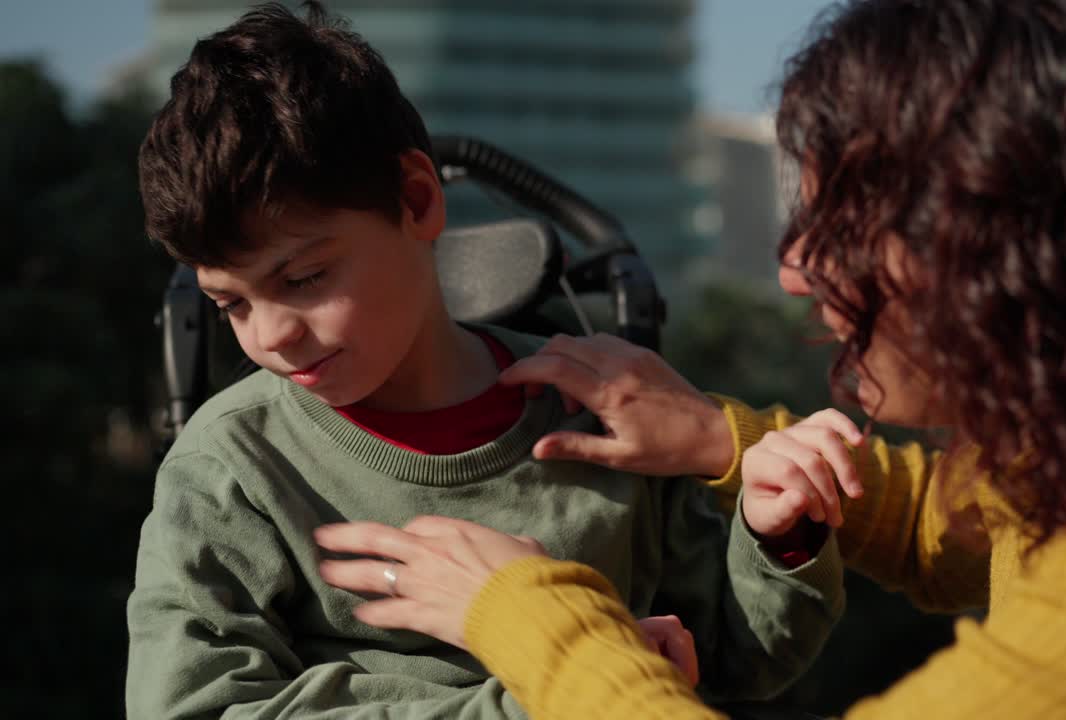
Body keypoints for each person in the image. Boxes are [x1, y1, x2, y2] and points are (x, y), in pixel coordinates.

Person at [313, 0, 1066, 718]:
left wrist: (520, 611)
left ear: (1017, 239)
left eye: (846, 225)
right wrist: (721, 441)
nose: (794, 267)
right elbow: (965, 530)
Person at [125, 3, 847, 718]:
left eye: (304, 279)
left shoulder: (603, 415)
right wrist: (549, 693)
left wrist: (777, 536)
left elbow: (742, 656)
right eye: (233, 306)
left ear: (417, 200)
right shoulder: (231, 469)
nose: (272, 335)